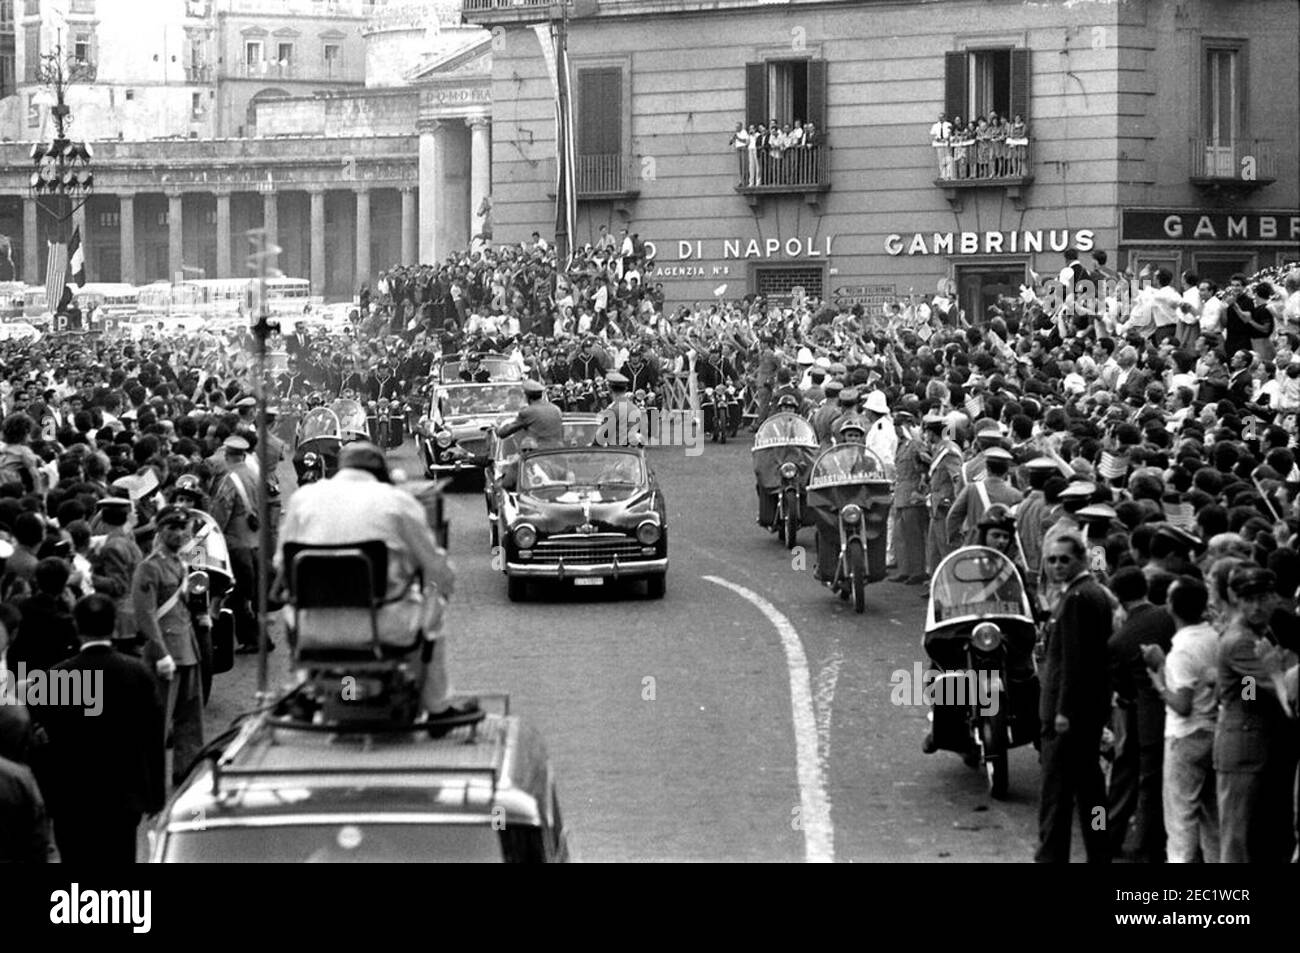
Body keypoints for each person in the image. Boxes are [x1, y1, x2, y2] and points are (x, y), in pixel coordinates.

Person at [276, 442, 474, 720]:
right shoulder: (396, 500)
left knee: (290, 609)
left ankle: (303, 690)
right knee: (434, 608)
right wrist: (442, 589)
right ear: (381, 472)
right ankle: (438, 706)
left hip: (311, 629)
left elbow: (280, 564)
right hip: (383, 628)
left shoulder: (303, 498)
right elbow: (435, 565)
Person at [30, 594, 165, 863]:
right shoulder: (137, 672)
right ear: (114, 626)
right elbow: (153, 736)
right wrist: (155, 793)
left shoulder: (57, 676)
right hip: (123, 797)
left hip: (72, 799)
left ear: (78, 629)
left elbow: (42, 744)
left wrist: (48, 798)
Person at [1036, 532, 1112, 863]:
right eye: (1051, 560)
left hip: (1067, 716)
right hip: (1090, 712)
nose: (1056, 566)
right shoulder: (1092, 593)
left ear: (1080, 559)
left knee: (1056, 795)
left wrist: (1063, 711)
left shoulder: (1077, 599)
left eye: (1064, 559)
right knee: (1091, 789)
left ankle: (1052, 857)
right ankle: (1099, 849)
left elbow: (1073, 661)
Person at [1213, 565, 1298, 862]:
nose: (1256, 606)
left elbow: (1249, 689)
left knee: (1259, 836)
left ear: (1275, 597)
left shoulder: (1262, 631)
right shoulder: (1242, 640)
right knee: (1238, 838)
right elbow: (1279, 689)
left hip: (1258, 742)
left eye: (1263, 597)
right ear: (1237, 600)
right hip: (1245, 749)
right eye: (1248, 599)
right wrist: (1277, 671)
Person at [1143, 577, 1221, 863]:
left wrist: (1159, 682)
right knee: (1213, 818)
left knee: (1180, 818)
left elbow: (1182, 705)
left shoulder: (1182, 650)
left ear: (1172, 606)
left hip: (1184, 736)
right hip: (1214, 732)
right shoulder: (1214, 637)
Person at [1105, 566, 1175, 863]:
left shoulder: (1119, 639)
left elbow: (1119, 685)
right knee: (1154, 784)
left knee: (1132, 780)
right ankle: (1149, 844)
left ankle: (1115, 839)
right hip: (1172, 714)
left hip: (1137, 714)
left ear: (1118, 599)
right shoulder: (1167, 616)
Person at [132, 504, 205, 788]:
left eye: (183, 527)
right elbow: (145, 613)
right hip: (165, 653)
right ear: (160, 531)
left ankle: (186, 769)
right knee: (158, 721)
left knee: (190, 716)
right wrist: (160, 652)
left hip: (187, 649)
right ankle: (148, 779)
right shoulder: (149, 567)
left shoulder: (180, 563)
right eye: (172, 528)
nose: (179, 533)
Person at [209, 435, 266, 654]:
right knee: (248, 592)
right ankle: (260, 637)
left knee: (238, 594)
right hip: (254, 541)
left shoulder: (229, 479)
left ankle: (252, 638)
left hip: (235, 543)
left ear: (227, 456)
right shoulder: (253, 475)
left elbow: (220, 513)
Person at [495, 379, 564, 449]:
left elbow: (504, 433)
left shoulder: (527, 412)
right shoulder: (556, 409)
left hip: (538, 453)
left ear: (527, 397)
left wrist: (497, 429)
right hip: (557, 452)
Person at [596, 372, 644, 447]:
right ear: (625, 389)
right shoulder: (635, 409)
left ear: (609, 388)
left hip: (615, 453)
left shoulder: (612, 410)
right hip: (631, 453)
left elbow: (602, 437)